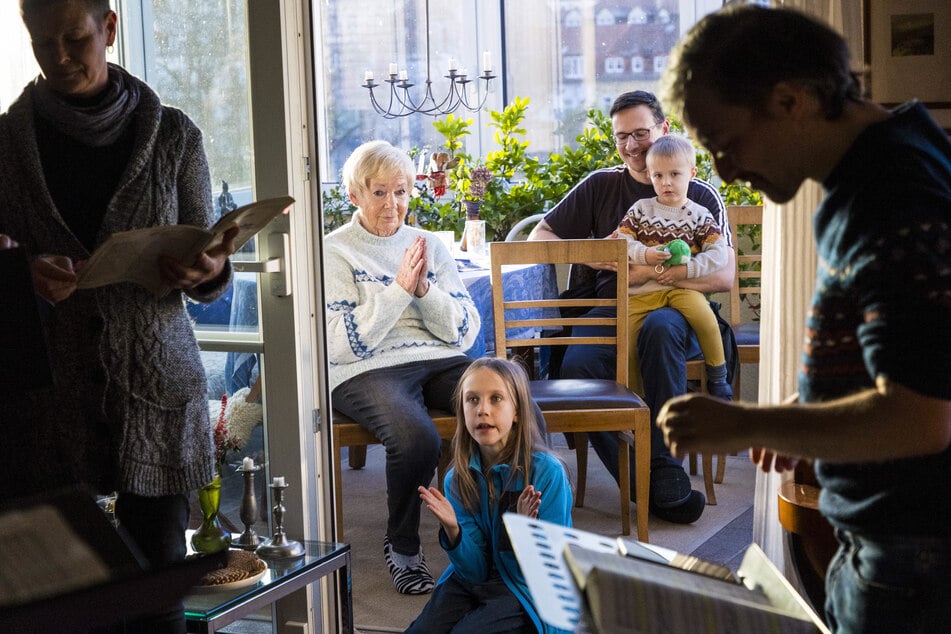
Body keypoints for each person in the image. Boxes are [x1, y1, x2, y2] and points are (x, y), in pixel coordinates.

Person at [655, 6, 951, 633]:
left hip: (912, 549)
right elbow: (907, 350)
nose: (726, 172)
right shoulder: (893, 158)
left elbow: (920, 418)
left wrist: (744, 421)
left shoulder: (891, 195)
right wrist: (806, 410)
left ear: (791, 100)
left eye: (727, 145)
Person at [0, 1, 237, 631]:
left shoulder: (176, 137)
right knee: (60, 607)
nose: (59, 57)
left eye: (74, 39)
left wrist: (207, 270)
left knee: (157, 608)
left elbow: (209, 257)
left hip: (156, 398)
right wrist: (21, 276)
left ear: (108, 28)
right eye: (41, 42)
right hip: (46, 403)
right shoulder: (4, 145)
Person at [528, 90, 735, 524]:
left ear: (663, 130)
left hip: (679, 311)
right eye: (622, 136)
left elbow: (722, 276)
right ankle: (647, 481)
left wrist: (651, 274)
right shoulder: (601, 185)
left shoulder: (699, 194)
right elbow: (538, 239)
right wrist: (591, 255)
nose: (632, 145)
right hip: (613, 308)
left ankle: (664, 468)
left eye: (641, 133)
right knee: (577, 369)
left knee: (660, 328)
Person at [324, 139, 482, 595]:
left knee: (504, 401)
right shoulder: (334, 252)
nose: (392, 204)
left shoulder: (429, 245)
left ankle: (495, 535)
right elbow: (339, 342)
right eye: (379, 193)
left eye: (400, 192)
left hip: (437, 358)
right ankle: (403, 549)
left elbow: (464, 329)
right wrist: (396, 291)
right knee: (417, 437)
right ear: (354, 195)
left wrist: (423, 291)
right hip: (366, 368)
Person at [406, 357, 573, 634]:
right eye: (472, 400)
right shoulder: (457, 478)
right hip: (476, 581)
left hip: (528, 590)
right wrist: (454, 531)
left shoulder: (548, 474)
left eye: (496, 399)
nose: (482, 410)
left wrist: (524, 533)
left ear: (517, 411)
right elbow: (474, 571)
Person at [614, 134, 732, 401]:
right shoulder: (641, 209)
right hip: (642, 293)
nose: (666, 182)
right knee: (629, 343)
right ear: (650, 176)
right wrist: (644, 253)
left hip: (681, 287)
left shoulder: (700, 214)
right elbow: (620, 241)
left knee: (705, 317)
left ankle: (718, 376)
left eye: (674, 174)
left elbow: (718, 254)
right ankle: (634, 398)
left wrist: (688, 269)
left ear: (691, 173)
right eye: (658, 176)